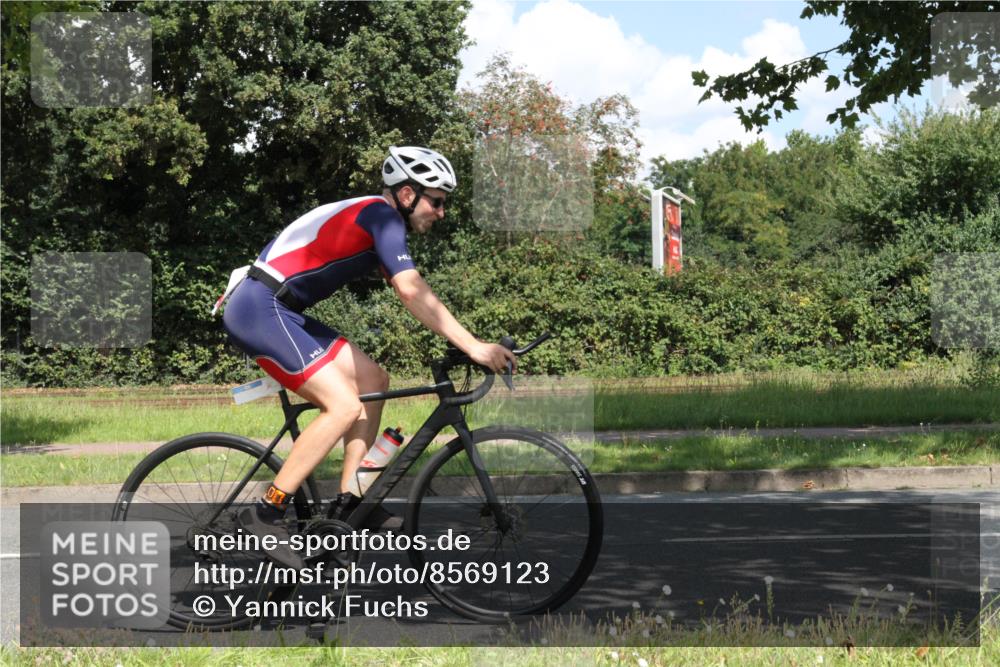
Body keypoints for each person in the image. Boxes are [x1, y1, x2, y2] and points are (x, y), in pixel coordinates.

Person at [220, 146, 516, 569]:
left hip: (279, 309)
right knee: (343, 406)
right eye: (438, 201)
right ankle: (265, 512)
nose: (442, 211)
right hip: (259, 307)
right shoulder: (382, 216)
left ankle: (348, 504)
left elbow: (414, 295)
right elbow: (412, 290)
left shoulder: (379, 222)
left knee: (374, 380)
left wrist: (464, 341)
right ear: (408, 194)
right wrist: (473, 345)